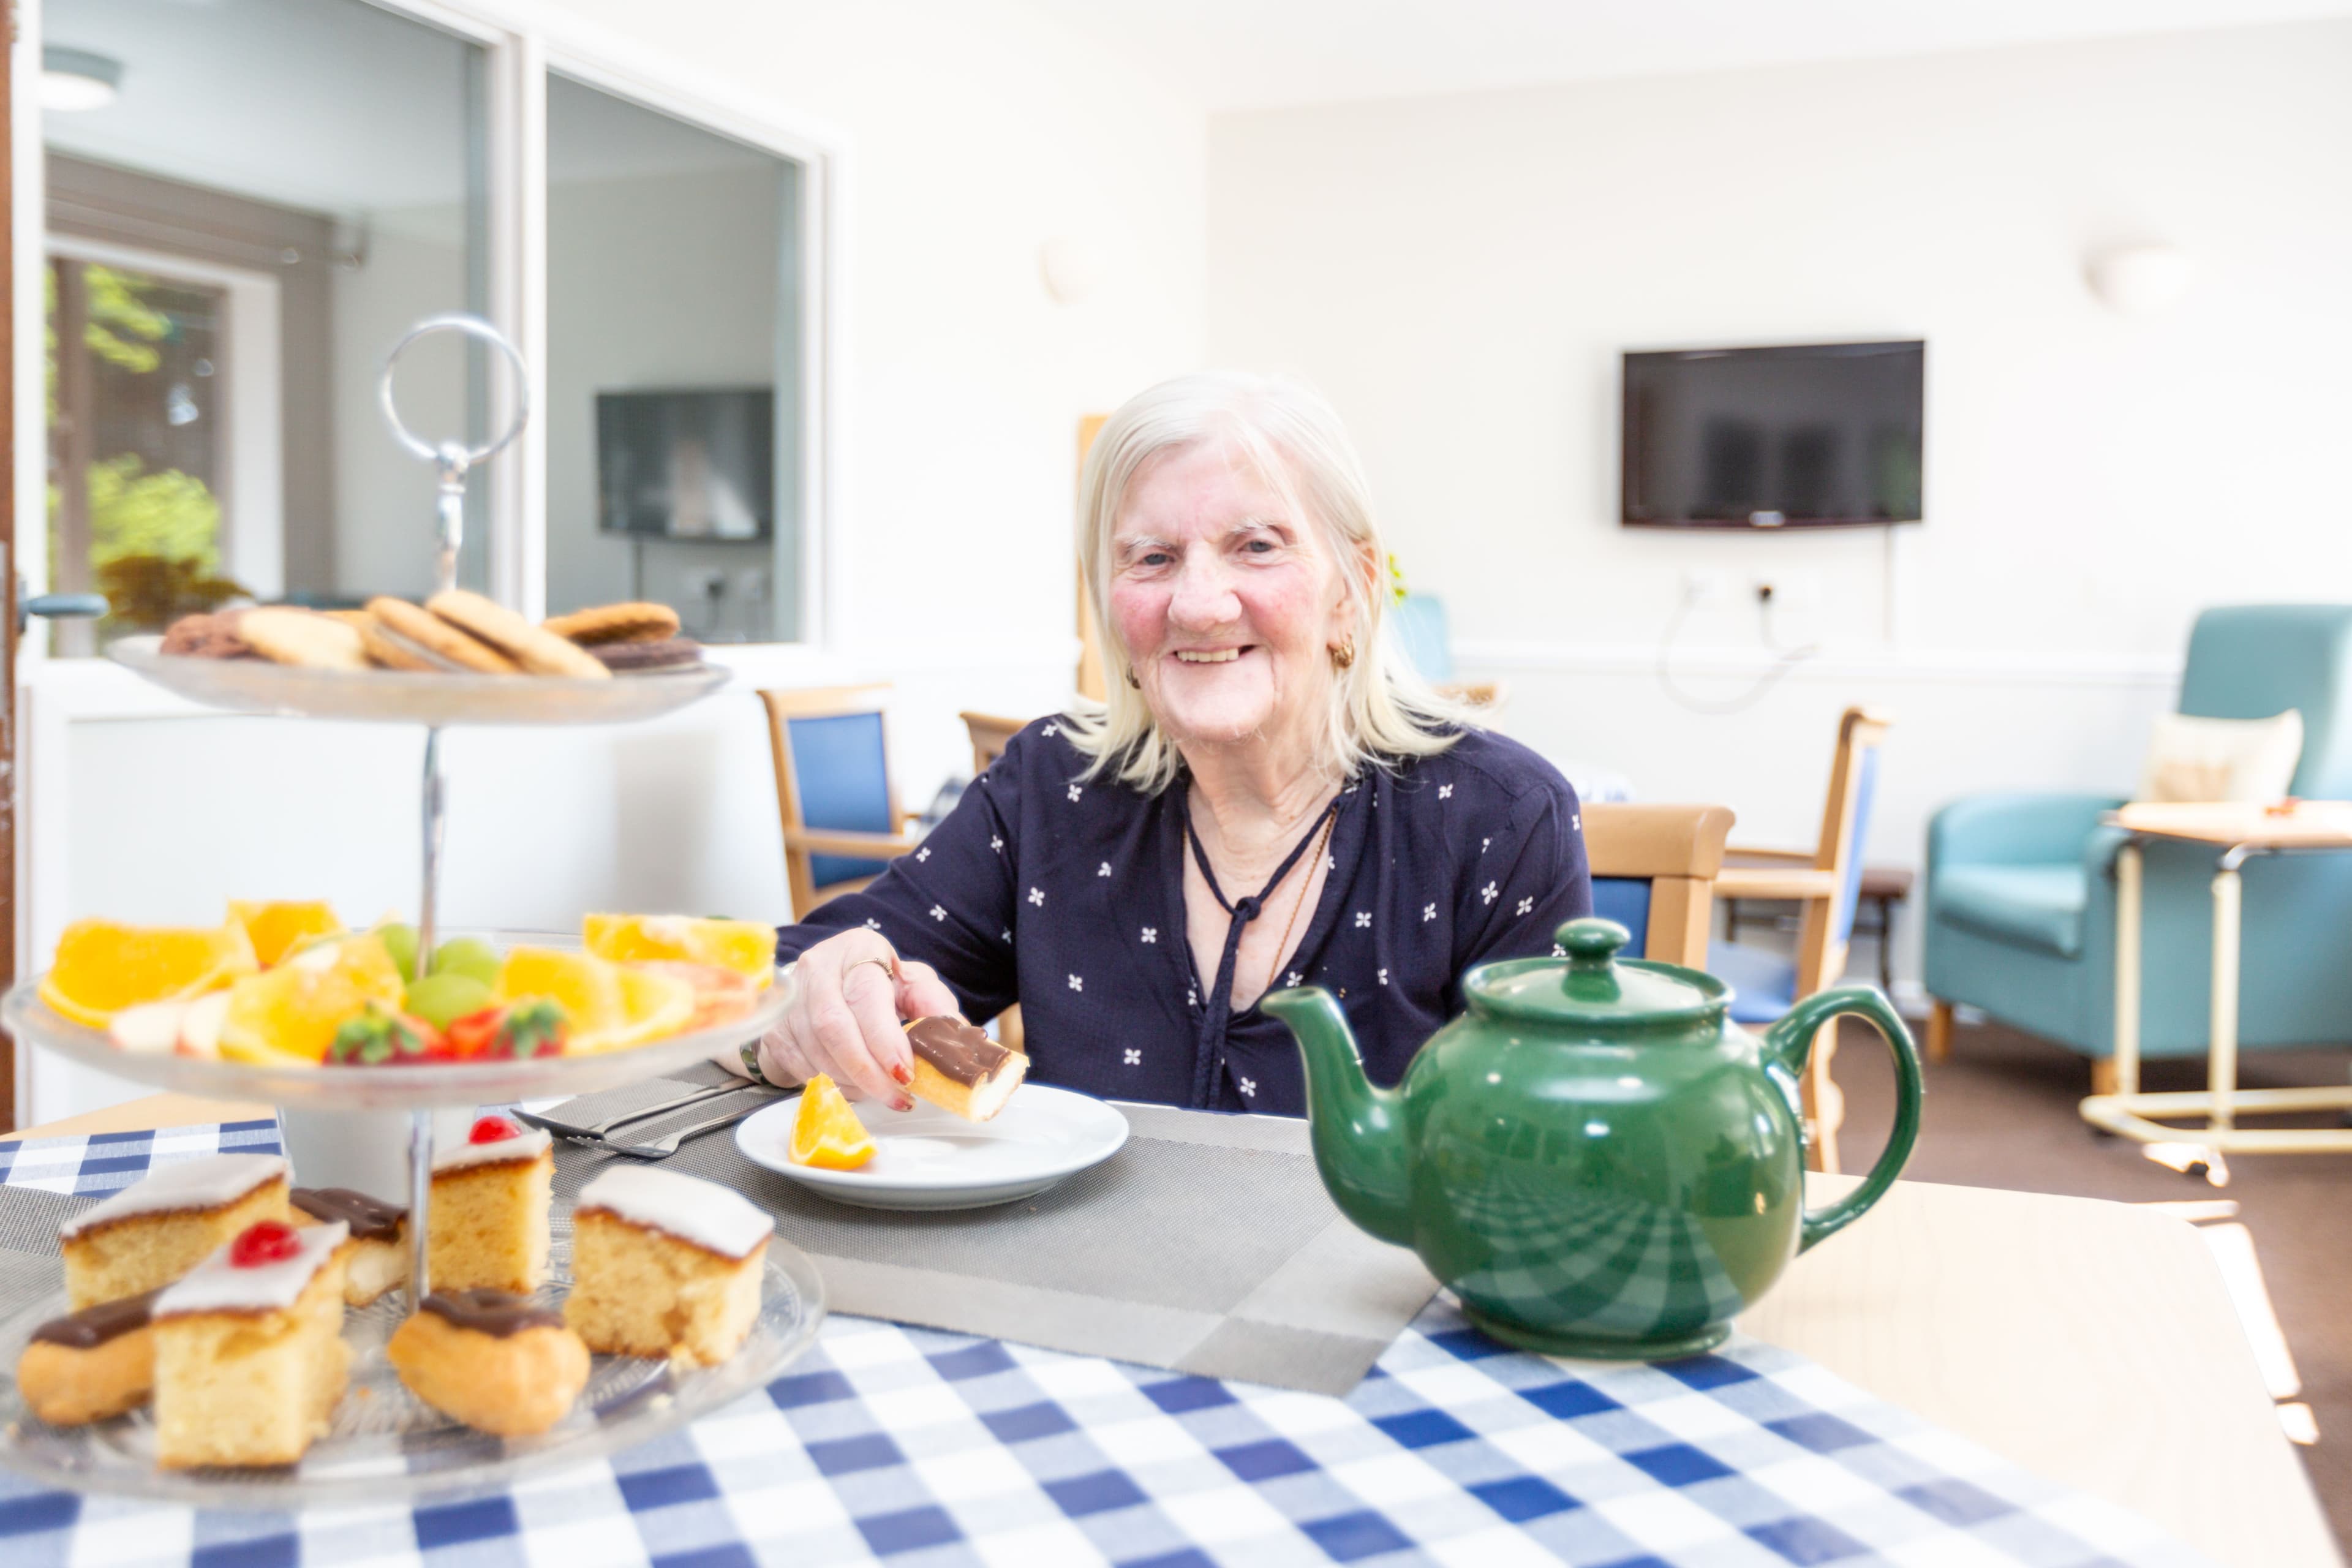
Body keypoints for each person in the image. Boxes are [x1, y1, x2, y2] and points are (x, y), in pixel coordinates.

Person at [742, 372, 1590, 1116]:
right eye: (1152, 558)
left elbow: (1546, 1151)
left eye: (1256, 547)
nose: (1198, 604)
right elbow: (762, 990)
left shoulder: (1498, 820)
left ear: (1353, 590)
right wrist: (802, 1007)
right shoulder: (1052, 790)